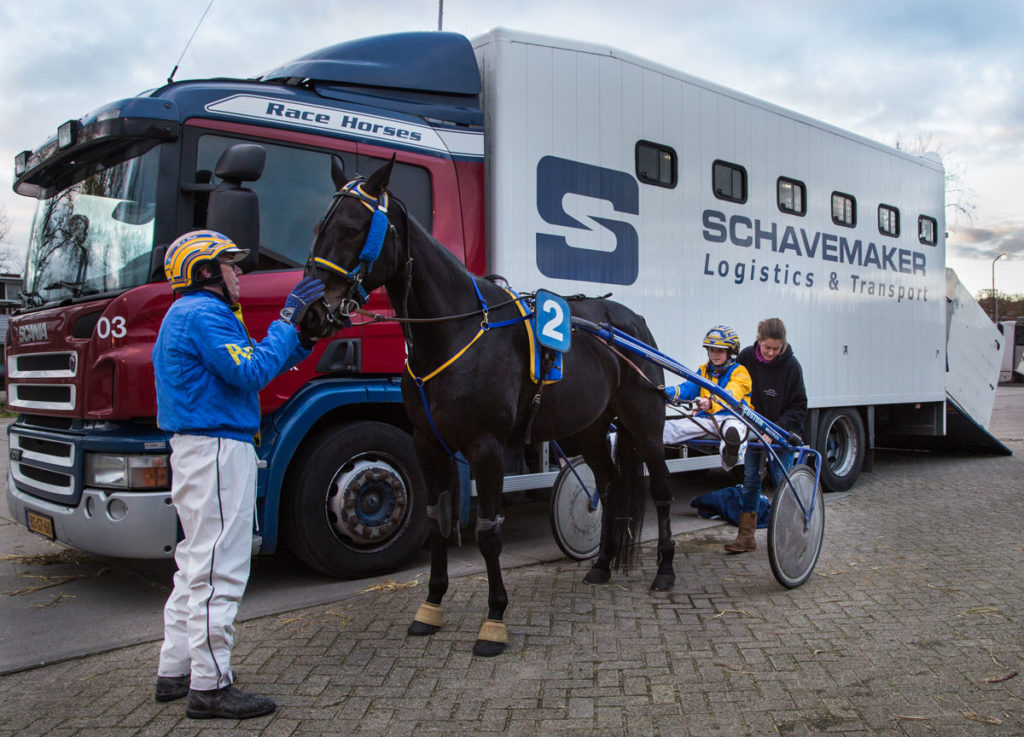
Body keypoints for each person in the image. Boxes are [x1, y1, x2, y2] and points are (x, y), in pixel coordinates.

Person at [152, 230, 325, 719]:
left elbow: (260, 361)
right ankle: (210, 686)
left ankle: (176, 671)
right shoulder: (206, 315)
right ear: (206, 272)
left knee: (193, 564)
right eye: (231, 265)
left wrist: (302, 338)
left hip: (197, 449)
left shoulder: (187, 315)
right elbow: (251, 372)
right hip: (217, 449)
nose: (239, 273)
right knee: (219, 569)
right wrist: (288, 318)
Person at [726, 317, 807, 553]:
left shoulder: (792, 367)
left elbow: (799, 406)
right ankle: (746, 538)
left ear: (783, 345)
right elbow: (736, 391)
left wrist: (775, 428)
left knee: (783, 482)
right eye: (767, 347)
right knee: (751, 481)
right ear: (758, 340)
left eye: (776, 348)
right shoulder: (746, 359)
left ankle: (786, 539)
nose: (771, 353)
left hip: (780, 434)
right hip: (753, 432)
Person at [662, 325, 751, 470]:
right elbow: (688, 389)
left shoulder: (740, 372)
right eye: (711, 350)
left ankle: (730, 453)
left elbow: (732, 393)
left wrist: (710, 402)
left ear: (730, 352)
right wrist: (663, 394)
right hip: (707, 419)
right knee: (667, 428)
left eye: (720, 351)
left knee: (732, 431)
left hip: (734, 417)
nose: (714, 354)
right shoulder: (703, 370)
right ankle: (615, 442)